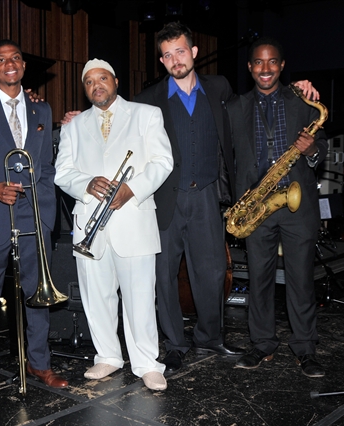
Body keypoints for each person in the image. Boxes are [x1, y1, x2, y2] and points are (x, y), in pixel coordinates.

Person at [0, 39, 68, 400]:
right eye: (1, 60)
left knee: (38, 293)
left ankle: (40, 362)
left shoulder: (41, 108)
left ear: (23, 65)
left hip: (34, 215)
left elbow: (46, 166)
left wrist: (45, 216)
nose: (9, 63)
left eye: (15, 58)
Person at [55, 59, 173, 390]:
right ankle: (107, 356)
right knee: (96, 297)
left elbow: (163, 161)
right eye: (89, 82)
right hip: (89, 222)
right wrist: (86, 183)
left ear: (116, 81)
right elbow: (62, 173)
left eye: (102, 78)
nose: (96, 85)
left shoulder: (146, 115)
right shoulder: (73, 127)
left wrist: (132, 189)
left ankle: (147, 363)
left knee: (140, 298)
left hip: (133, 219)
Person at [133, 22, 244, 374]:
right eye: (167, 55)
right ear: (161, 61)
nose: (175, 60)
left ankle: (209, 336)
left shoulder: (219, 87)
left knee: (212, 271)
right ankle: (175, 344)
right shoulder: (147, 99)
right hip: (165, 199)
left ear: (194, 52)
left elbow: (250, 109)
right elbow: (116, 123)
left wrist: (297, 88)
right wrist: (79, 118)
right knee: (164, 275)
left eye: (180, 51)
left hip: (207, 194)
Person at [227, 37, 327, 377]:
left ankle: (305, 348)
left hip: (297, 203)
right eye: (258, 62)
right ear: (250, 67)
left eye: (272, 61)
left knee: (301, 280)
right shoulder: (236, 106)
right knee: (259, 279)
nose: (265, 68)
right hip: (258, 204)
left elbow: (322, 145)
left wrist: (312, 149)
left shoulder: (302, 99)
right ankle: (262, 344)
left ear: (282, 66)